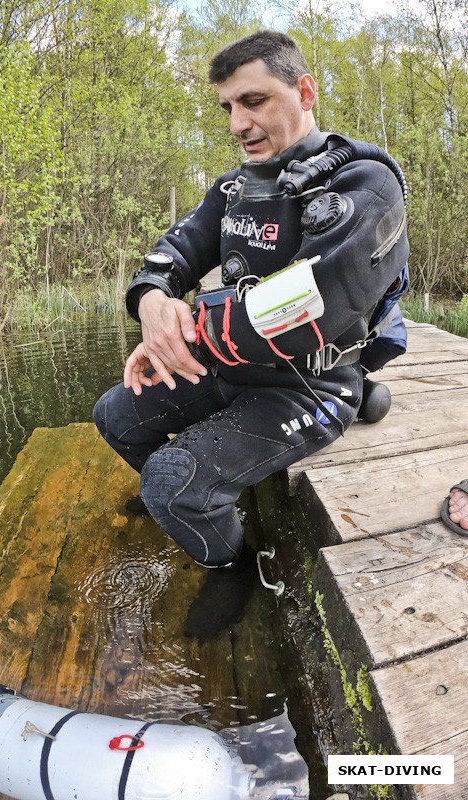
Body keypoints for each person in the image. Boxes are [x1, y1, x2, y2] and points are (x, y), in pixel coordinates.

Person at [93, 30, 409, 578]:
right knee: (114, 417)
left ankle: (238, 574)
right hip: (231, 367)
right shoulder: (233, 190)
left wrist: (186, 329)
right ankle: (195, 507)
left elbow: (315, 302)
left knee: (173, 481)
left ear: (305, 92)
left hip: (310, 385)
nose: (238, 123)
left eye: (254, 101)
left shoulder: (365, 183)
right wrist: (152, 305)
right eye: (229, 107)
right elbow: (173, 253)